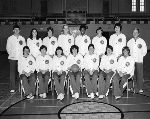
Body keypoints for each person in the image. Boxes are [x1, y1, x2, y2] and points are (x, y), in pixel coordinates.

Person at [6, 24, 26, 93]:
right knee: (12, 73)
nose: (17, 31)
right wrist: (11, 55)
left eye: (18, 29)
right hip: (12, 58)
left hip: (20, 58)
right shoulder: (10, 38)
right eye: (15, 29)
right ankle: (12, 88)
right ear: (13, 30)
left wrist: (23, 56)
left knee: (21, 72)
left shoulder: (22, 38)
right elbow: (8, 48)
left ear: (20, 30)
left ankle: (23, 87)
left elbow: (24, 48)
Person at [127, 28, 147, 93]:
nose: (135, 33)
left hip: (139, 60)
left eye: (136, 32)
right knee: (131, 74)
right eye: (134, 32)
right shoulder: (129, 42)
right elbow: (127, 51)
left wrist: (140, 56)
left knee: (139, 75)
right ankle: (130, 87)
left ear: (138, 33)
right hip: (131, 61)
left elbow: (145, 51)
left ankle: (140, 88)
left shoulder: (142, 41)